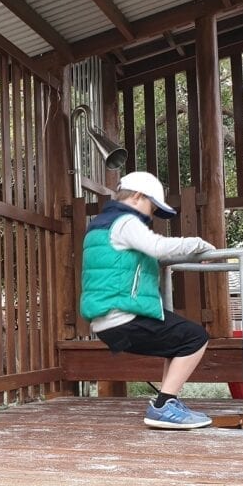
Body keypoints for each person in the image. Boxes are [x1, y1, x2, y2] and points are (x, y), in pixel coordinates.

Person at [80, 171, 216, 429]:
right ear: (138, 196)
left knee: (178, 340)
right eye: (152, 207)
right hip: (124, 315)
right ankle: (165, 405)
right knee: (196, 337)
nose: (151, 215)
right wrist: (197, 244)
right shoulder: (125, 222)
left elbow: (140, 260)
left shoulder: (100, 225)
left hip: (107, 319)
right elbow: (156, 247)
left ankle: (167, 403)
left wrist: (184, 256)